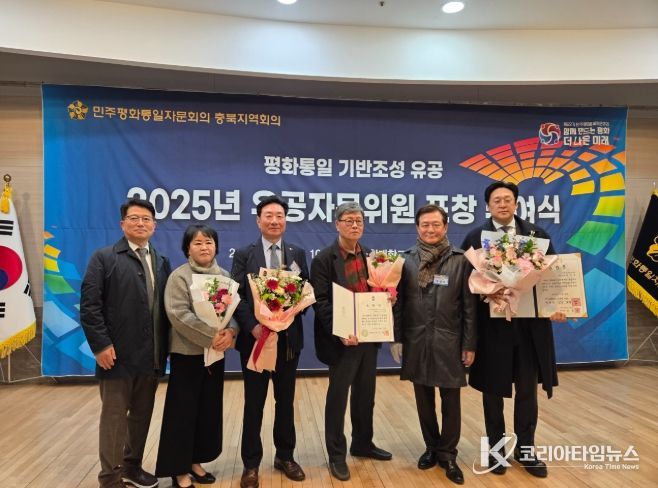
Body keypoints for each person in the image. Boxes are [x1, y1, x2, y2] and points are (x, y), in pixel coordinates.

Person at [461, 181, 566, 478]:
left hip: (529, 327)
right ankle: (496, 452)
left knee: (527, 391)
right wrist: (487, 292)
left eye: (508, 199)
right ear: (488, 205)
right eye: (497, 200)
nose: (503, 204)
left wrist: (558, 306)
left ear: (516, 203)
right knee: (492, 391)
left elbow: (552, 277)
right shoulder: (475, 238)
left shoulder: (537, 236)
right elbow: (466, 286)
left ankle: (526, 449)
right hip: (491, 329)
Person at [80, 198, 171, 488]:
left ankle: (132, 467)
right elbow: (90, 306)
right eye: (134, 218)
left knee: (141, 416)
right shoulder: (104, 258)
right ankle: (110, 477)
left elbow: (166, 309)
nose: (140, 223)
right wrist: (100, 345)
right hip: (116, 355)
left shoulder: (161, 261)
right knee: (114, 418)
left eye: (146, 219)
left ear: (154, 226)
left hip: (151, 355)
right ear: (122, 224)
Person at [391, 204, 476, 485]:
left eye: (436, 224)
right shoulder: (405, 260)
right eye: (425, 225)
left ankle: (448, 454)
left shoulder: (461, 260)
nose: (430, 229)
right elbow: (399, 304)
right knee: (423, 397)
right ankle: (431, 447)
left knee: (451, 399)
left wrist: (469, 344)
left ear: (445, 226)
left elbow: (469, 307)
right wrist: (397, 338)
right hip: (416, 338)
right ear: (417, 228)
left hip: (449, 340)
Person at [311, 202, 393, 482]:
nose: (354, 225)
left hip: (369, 337)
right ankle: (336, 453)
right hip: (342, 341)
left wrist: (387, 299)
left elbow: (378, 290)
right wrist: (340, 330)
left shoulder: (371, 256)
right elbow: (320, 302)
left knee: (365, 395)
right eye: (348, 220)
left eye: (359, 220)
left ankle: (363, 442)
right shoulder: (324, 259)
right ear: (337, 224)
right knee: (338, 397)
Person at [231, 194, 309, 488]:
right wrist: (252, 327)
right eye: (269, 216)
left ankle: (285, 456)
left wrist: (293, 310)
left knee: (285, 402)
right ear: (258, 220)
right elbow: (237, 295)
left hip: (288, 343)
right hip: (257, 341)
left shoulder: (297, 253)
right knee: (254, 404)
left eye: (279, 216)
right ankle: (251, 464)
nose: (275, 221)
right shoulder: (244, 254)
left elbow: (305, 290)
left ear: (285, 221)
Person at [155, 224, 239, 487]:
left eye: (209, 242)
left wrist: (231, 332)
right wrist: (211, 336)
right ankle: (178, 470)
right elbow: (178, 314)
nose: (204, 247)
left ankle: (195, 461)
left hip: (215, 355)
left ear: (216, 246)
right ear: (187, 248)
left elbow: (232, 312)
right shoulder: (179, 277)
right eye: (198, 243)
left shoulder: (224, 275)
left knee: (207, 411)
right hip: (187, 354)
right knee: (182, 413)